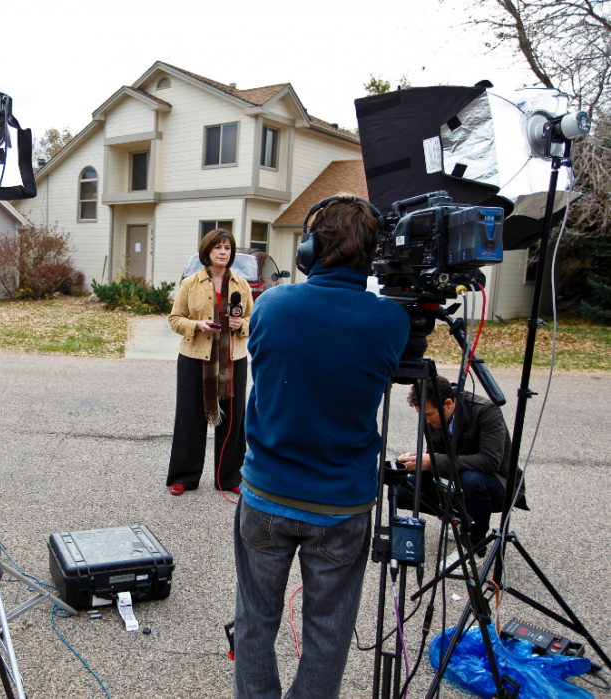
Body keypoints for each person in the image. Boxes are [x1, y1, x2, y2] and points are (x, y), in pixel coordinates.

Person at [233, 195, 409, 699]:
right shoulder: (391, 322)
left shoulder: (271, 305)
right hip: (342, 504)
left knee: (254, 622)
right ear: (371, 255)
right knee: (328, 632)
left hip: (267, 495)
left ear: (310, 249)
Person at [396, 374, 525, 556]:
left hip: (498, 483)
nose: (426, 421)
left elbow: (490, 462)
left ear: (449, 403)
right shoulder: (431, 416)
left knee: (471, 479)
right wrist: (414, 462)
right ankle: (460, 521)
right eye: (422, 415)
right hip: (457, 479)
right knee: (404, 490)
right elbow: (437, 458)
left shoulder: (486, 410)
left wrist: (432, 461)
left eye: (430, 414)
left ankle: (474, 548)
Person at [166, 228, 253, 496]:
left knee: (234, 422)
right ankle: (184, 476)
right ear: (207, 251)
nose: (223, 252)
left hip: (233, 360)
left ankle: (230, 477)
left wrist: (241, 324)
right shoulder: (190, 283)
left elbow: (253, 320)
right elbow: (175, 319)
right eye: (218, 248)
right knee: (190, 418)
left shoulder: (242, 284)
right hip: (195, 359)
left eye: (227, 248)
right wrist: (197, 325)